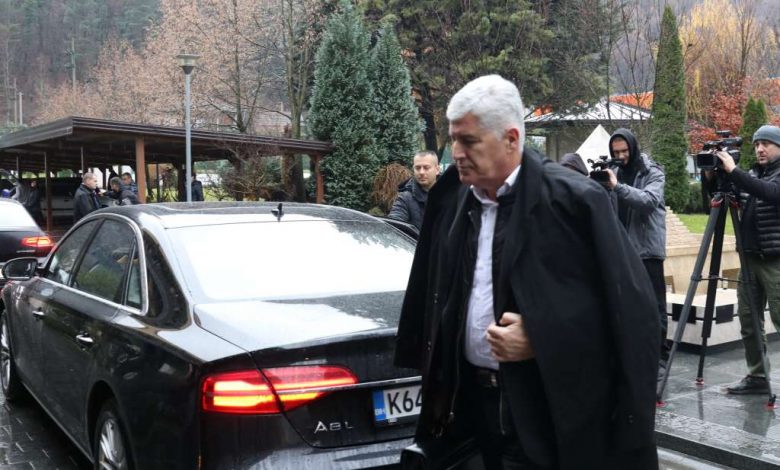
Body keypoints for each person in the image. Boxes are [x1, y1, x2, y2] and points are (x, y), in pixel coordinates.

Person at [395, 75, 660, 469]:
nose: (456, 153)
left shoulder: (574, 203)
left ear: (511, 139)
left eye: (469, 141)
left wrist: (543, 337)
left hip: (544, 421)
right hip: (468, 414)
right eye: (453, 140)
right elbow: (435, 293)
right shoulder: (451, 198)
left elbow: (634, 319)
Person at [714, 125, 780, 395]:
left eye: (766, 144)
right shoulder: (752, 174)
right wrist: (714, 176)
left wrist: (735, 172)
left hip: (775, 261)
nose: (760, 149)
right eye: (756, 145)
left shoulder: (768, 177)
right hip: (749, 259)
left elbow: (771, 193)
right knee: (749, 321)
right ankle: (757, 376)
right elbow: (721, 198)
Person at [604, 129, 669, 369]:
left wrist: (617, 186)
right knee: (628, 304)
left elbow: (648, 202)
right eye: (616, 152)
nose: (621, 156)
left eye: (625, 151)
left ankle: (660, 356)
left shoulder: (653, 172)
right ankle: (634, 351)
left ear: (633, 148)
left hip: (647, 249)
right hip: (623, 248)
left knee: (654, 304)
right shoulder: (614, 171)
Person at [387, 151, 440, 230]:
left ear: (437, 169)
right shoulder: (405, 198)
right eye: (417, 168)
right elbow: (394, 226)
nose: (421, 172)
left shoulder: (452, 194)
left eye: (426, 168)